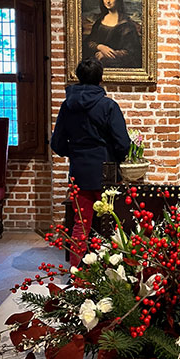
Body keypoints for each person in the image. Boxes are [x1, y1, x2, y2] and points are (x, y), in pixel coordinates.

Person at [51, 59, 131, 265]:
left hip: (79, 171)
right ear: (100, 78)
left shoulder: (67, 106)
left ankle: (77, 277)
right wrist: (115, 158)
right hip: (106, 172)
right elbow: (123, 142)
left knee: (81, 225)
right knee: (113, 225)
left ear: (78, 77)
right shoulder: (108, 106)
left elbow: (57, 144)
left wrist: (77, 152)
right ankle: (111, 275)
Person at [83, 0, 141, 68]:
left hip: (118, 67)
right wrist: (100, 47)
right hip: (97, 68)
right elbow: (89, 42)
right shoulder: (99, 21)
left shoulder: (127, 25)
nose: (108, 1)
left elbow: (132, 52)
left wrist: (107, 54)